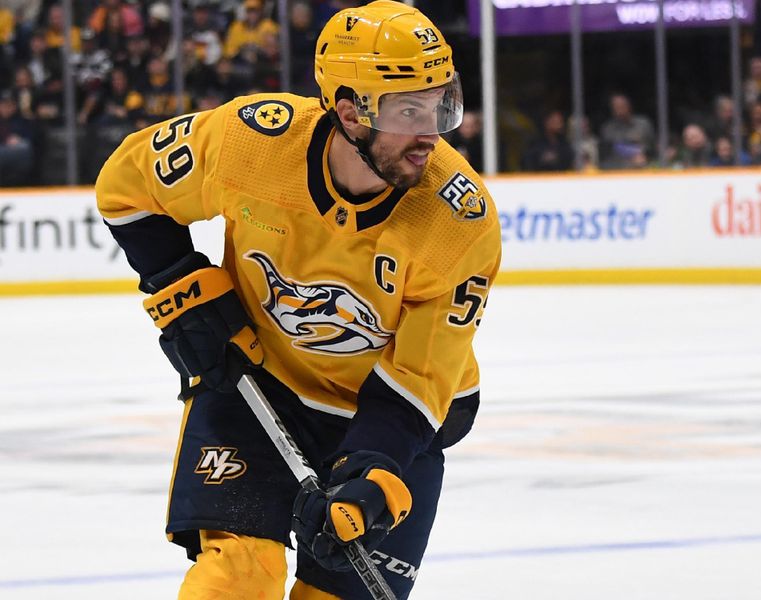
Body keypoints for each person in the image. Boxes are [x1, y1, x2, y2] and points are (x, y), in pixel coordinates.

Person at [95, 2, 500, 599]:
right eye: (409, 110)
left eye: (442, 102)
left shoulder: (458, 219)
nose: (431, 131)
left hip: (393, 417)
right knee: (233, 580)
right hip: (256, 382)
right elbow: (124, 186)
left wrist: (371, 473)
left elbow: (420, 373)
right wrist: (182, 288)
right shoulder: (250, 142)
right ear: (348, 111)